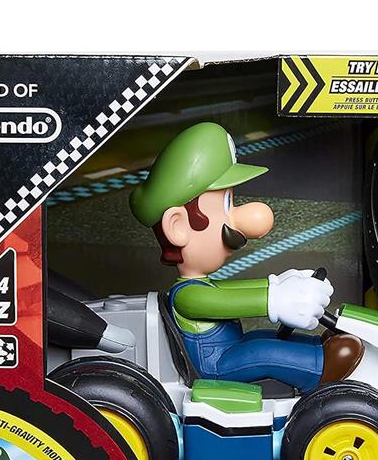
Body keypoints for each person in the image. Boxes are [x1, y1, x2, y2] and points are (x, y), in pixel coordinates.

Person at [130, 122, 363, 391]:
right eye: (225, 204)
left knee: (263, 337)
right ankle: (320, 368)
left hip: (230, 350)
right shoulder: (187, 296)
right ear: (178, 227)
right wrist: (276, 299)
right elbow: (230, 301)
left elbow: (232, 291)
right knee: (264, 351)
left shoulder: (200, 285)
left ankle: (314, 349)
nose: (242, 218)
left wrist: (281, 283)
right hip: (216, 365)